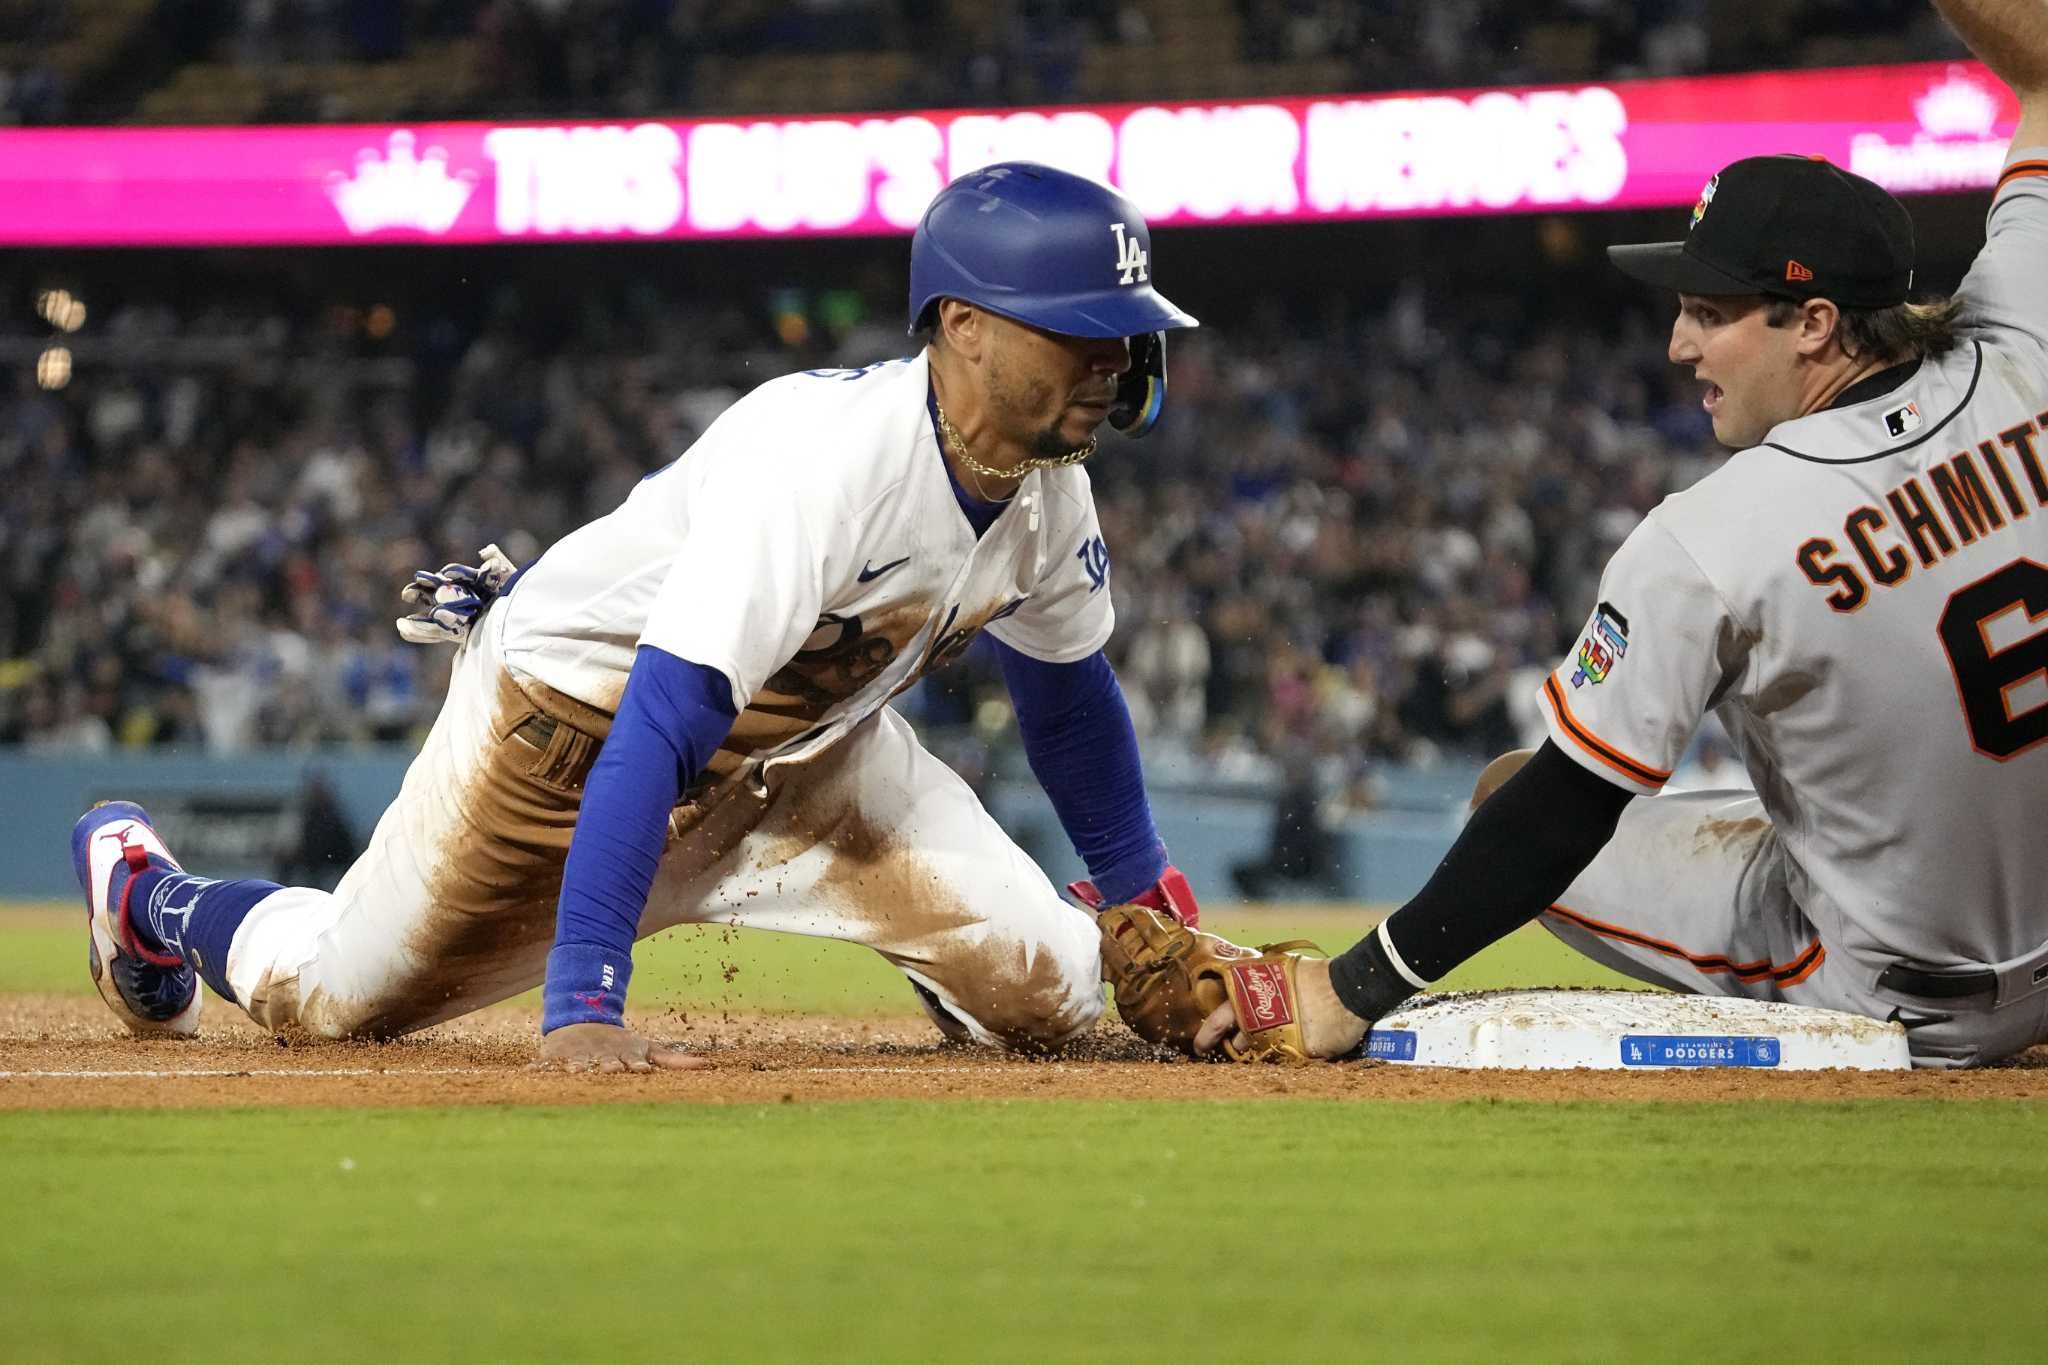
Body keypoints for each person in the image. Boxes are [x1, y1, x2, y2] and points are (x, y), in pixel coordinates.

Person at [72, 162, 1207, 1071]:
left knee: (1055, 992)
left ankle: (950, 968)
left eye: (1119, 329)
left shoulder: (1052, 489)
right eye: (1080, 328)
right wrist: (584, 1000)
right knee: (326, 1002)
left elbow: (1065, 705)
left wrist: (1154, 900)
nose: (1114, 357)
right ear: (963, 326)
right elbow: (658, 724)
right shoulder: (824, 463)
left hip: (803, 758)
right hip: (570, 746)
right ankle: (145, 892)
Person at [1196, 0, 2048, 1069]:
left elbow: (1564, 808)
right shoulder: (2022, 334)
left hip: (1907, 998)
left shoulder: (1712, 536)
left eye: (1709, 311)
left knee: (1515, 788)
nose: (1677, 343)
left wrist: (1350, 985)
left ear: (1815, 323)